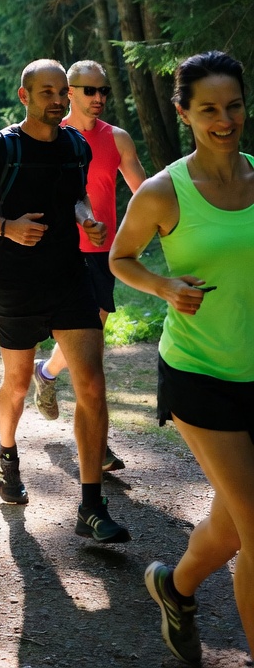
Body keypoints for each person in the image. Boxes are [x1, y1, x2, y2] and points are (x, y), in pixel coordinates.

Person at [109, 50, 254, 663]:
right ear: (184, 114)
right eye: (209, 110)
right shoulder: (163, 191)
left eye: (235, 106)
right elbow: (121, 258)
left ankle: (175, 586)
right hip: (201, 375)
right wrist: (166, 287)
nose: (225, 120)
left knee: (232, 524)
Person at [0, 59, 130, 543]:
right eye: (45, 91)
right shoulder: (0, 149)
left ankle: (91, 504)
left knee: (91, 385)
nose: (55, 99)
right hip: (16, 282)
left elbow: (75, 199)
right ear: (25, 95)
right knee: (18, 381)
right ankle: (6, 451)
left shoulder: (75, 146)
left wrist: (87, 218)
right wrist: (6, 227)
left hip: (70, 277)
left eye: (60, 92)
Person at [32, 60, 146, 472]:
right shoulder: (49, 135)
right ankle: (99, 445)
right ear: (70, 92)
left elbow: (144, 192)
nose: (98, 98)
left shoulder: (117, 139)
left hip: (102, 253)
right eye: (89, 90)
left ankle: (46, 372)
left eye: (103, 91)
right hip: (61, 249)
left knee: (92, 329)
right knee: (91, 347)